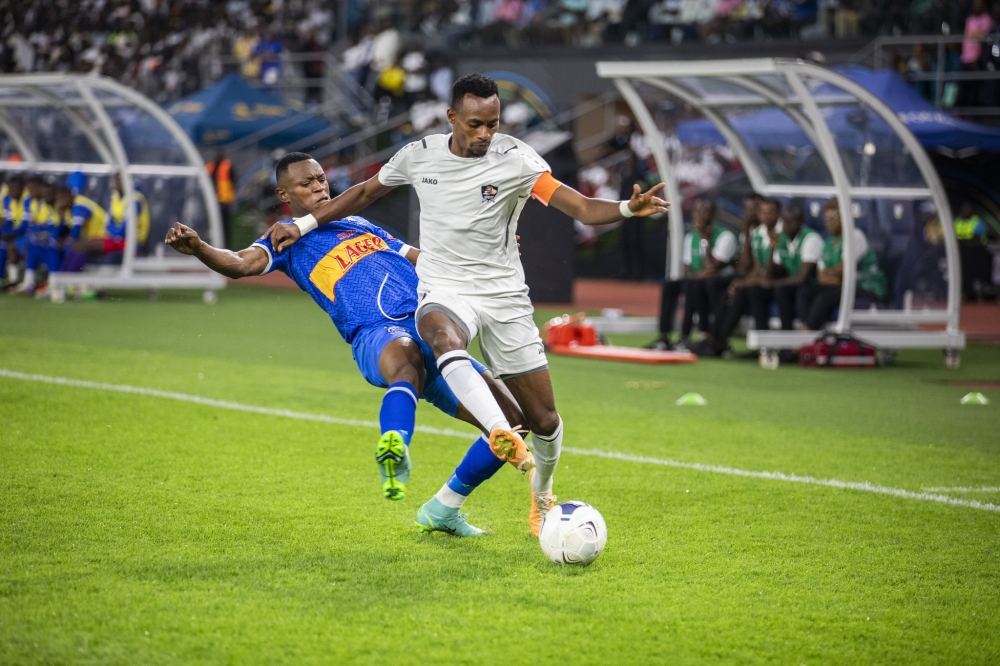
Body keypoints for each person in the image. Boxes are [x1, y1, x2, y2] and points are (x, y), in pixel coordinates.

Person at [263, 73, 669, 537]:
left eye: (493, 124)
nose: (485, 134)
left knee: (544, 421)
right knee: (438, 331)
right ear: (452, 117)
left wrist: (624, 209)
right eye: (476, 124)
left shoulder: (517, 159)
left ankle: (536, 495)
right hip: (445, 287)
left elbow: (577, 206)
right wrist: (305, 224)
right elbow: (362, 193)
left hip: (504, 297)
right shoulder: (419, 156)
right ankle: (497, 430)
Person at [166, 152, 530, 537]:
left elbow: (423, 258)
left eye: (321, 178)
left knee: (515, 422)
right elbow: (241, 263)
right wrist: (201, 248)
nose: (319, 186)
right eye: (306, 183)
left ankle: (443, 508)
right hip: (375, 332)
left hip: (432, 328)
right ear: (284, 193)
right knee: (405, 360)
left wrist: (486, 255)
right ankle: (396, 445)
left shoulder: (357, 222)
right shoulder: (284, 237)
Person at [696, 196, 782, 356]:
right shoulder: (756, 233)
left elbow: (768, 273)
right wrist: (747, 233)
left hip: (780, 282)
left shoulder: (781, 233)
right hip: (758, 279)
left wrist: (746, 282)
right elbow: (745, 267)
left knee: (747, 290)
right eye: (747, 209)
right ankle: (714, 338)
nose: (750, 213)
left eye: (755, 209)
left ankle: (724, 341)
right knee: (725, 288)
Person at [646, 199, 736, 351]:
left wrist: (706, 240)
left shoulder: (725, 237)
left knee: (695, 286)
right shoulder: (691, 237)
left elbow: (713, 266)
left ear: (714, 215)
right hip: (699, 280)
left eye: (705, 212)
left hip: (719, 283)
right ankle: (664, 336)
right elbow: (688, 268)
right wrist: (700, 275)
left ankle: (688, 336)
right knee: (670, 285)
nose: (700, 216)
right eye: (698, 212)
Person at [796, 199, 887, 330]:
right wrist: (834, 276)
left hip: (866, 286)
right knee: (804, 292)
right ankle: (807, 332)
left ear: (844, 216)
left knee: (824, 297)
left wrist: (832, 274)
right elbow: (821, 276)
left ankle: (808, 338)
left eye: (834, 216)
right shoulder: (828, 243)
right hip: (840, 285)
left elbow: (846, 268)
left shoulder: (855, 235)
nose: (830, 221)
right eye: (826, 218)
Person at [759, 205, 822, 331]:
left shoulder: (811, 238)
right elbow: (771, 274)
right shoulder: (781, 238)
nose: (788, 225)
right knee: (756, 291)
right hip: (790, 284)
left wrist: (772, 283)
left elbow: (801, 278)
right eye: (785, 221)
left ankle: (787, 335)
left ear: (801, 221)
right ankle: (762, 339)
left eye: (792, 221)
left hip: (812, 285)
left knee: (782, 291)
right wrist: (772, 248)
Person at [14, 174, 52, 294]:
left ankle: (35, 281)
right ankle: (29, 282)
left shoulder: (49, 202)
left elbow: (49, 225)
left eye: (33, 188)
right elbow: (28, 224)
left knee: (31, 242)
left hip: (48, 237)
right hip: (36, 236)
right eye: (29, 189)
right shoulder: (32, 203)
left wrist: (37, 226)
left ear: (41, 188)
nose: (30, 192)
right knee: (20, 243)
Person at [953, 199, 991, 299]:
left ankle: (976, 291)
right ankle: (963, 291)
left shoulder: (977, 222)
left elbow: (980, 240)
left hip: (974, 252)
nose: (965, 210)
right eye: (964, 207)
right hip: (960, 253)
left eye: (968, 207)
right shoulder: (956, 222)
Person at [0, 173, 29, 288]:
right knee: (2, 243)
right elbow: (8, 221)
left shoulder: (27, 200)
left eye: (16, 188)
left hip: (24, 233)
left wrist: (8, 234)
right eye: (11, 188)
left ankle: (14, 281)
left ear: (22, 187)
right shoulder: (7, 200)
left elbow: (26, 224)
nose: (13, 190)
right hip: (14, 233)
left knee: (7, 245)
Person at [205, 151, 235, 248]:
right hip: (213, 199)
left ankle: (226, 245)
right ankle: (213, 244)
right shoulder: (211, 166)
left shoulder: (227, 166)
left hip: (224, 200)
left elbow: (233, 180)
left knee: (225, 224)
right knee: (212, 223)